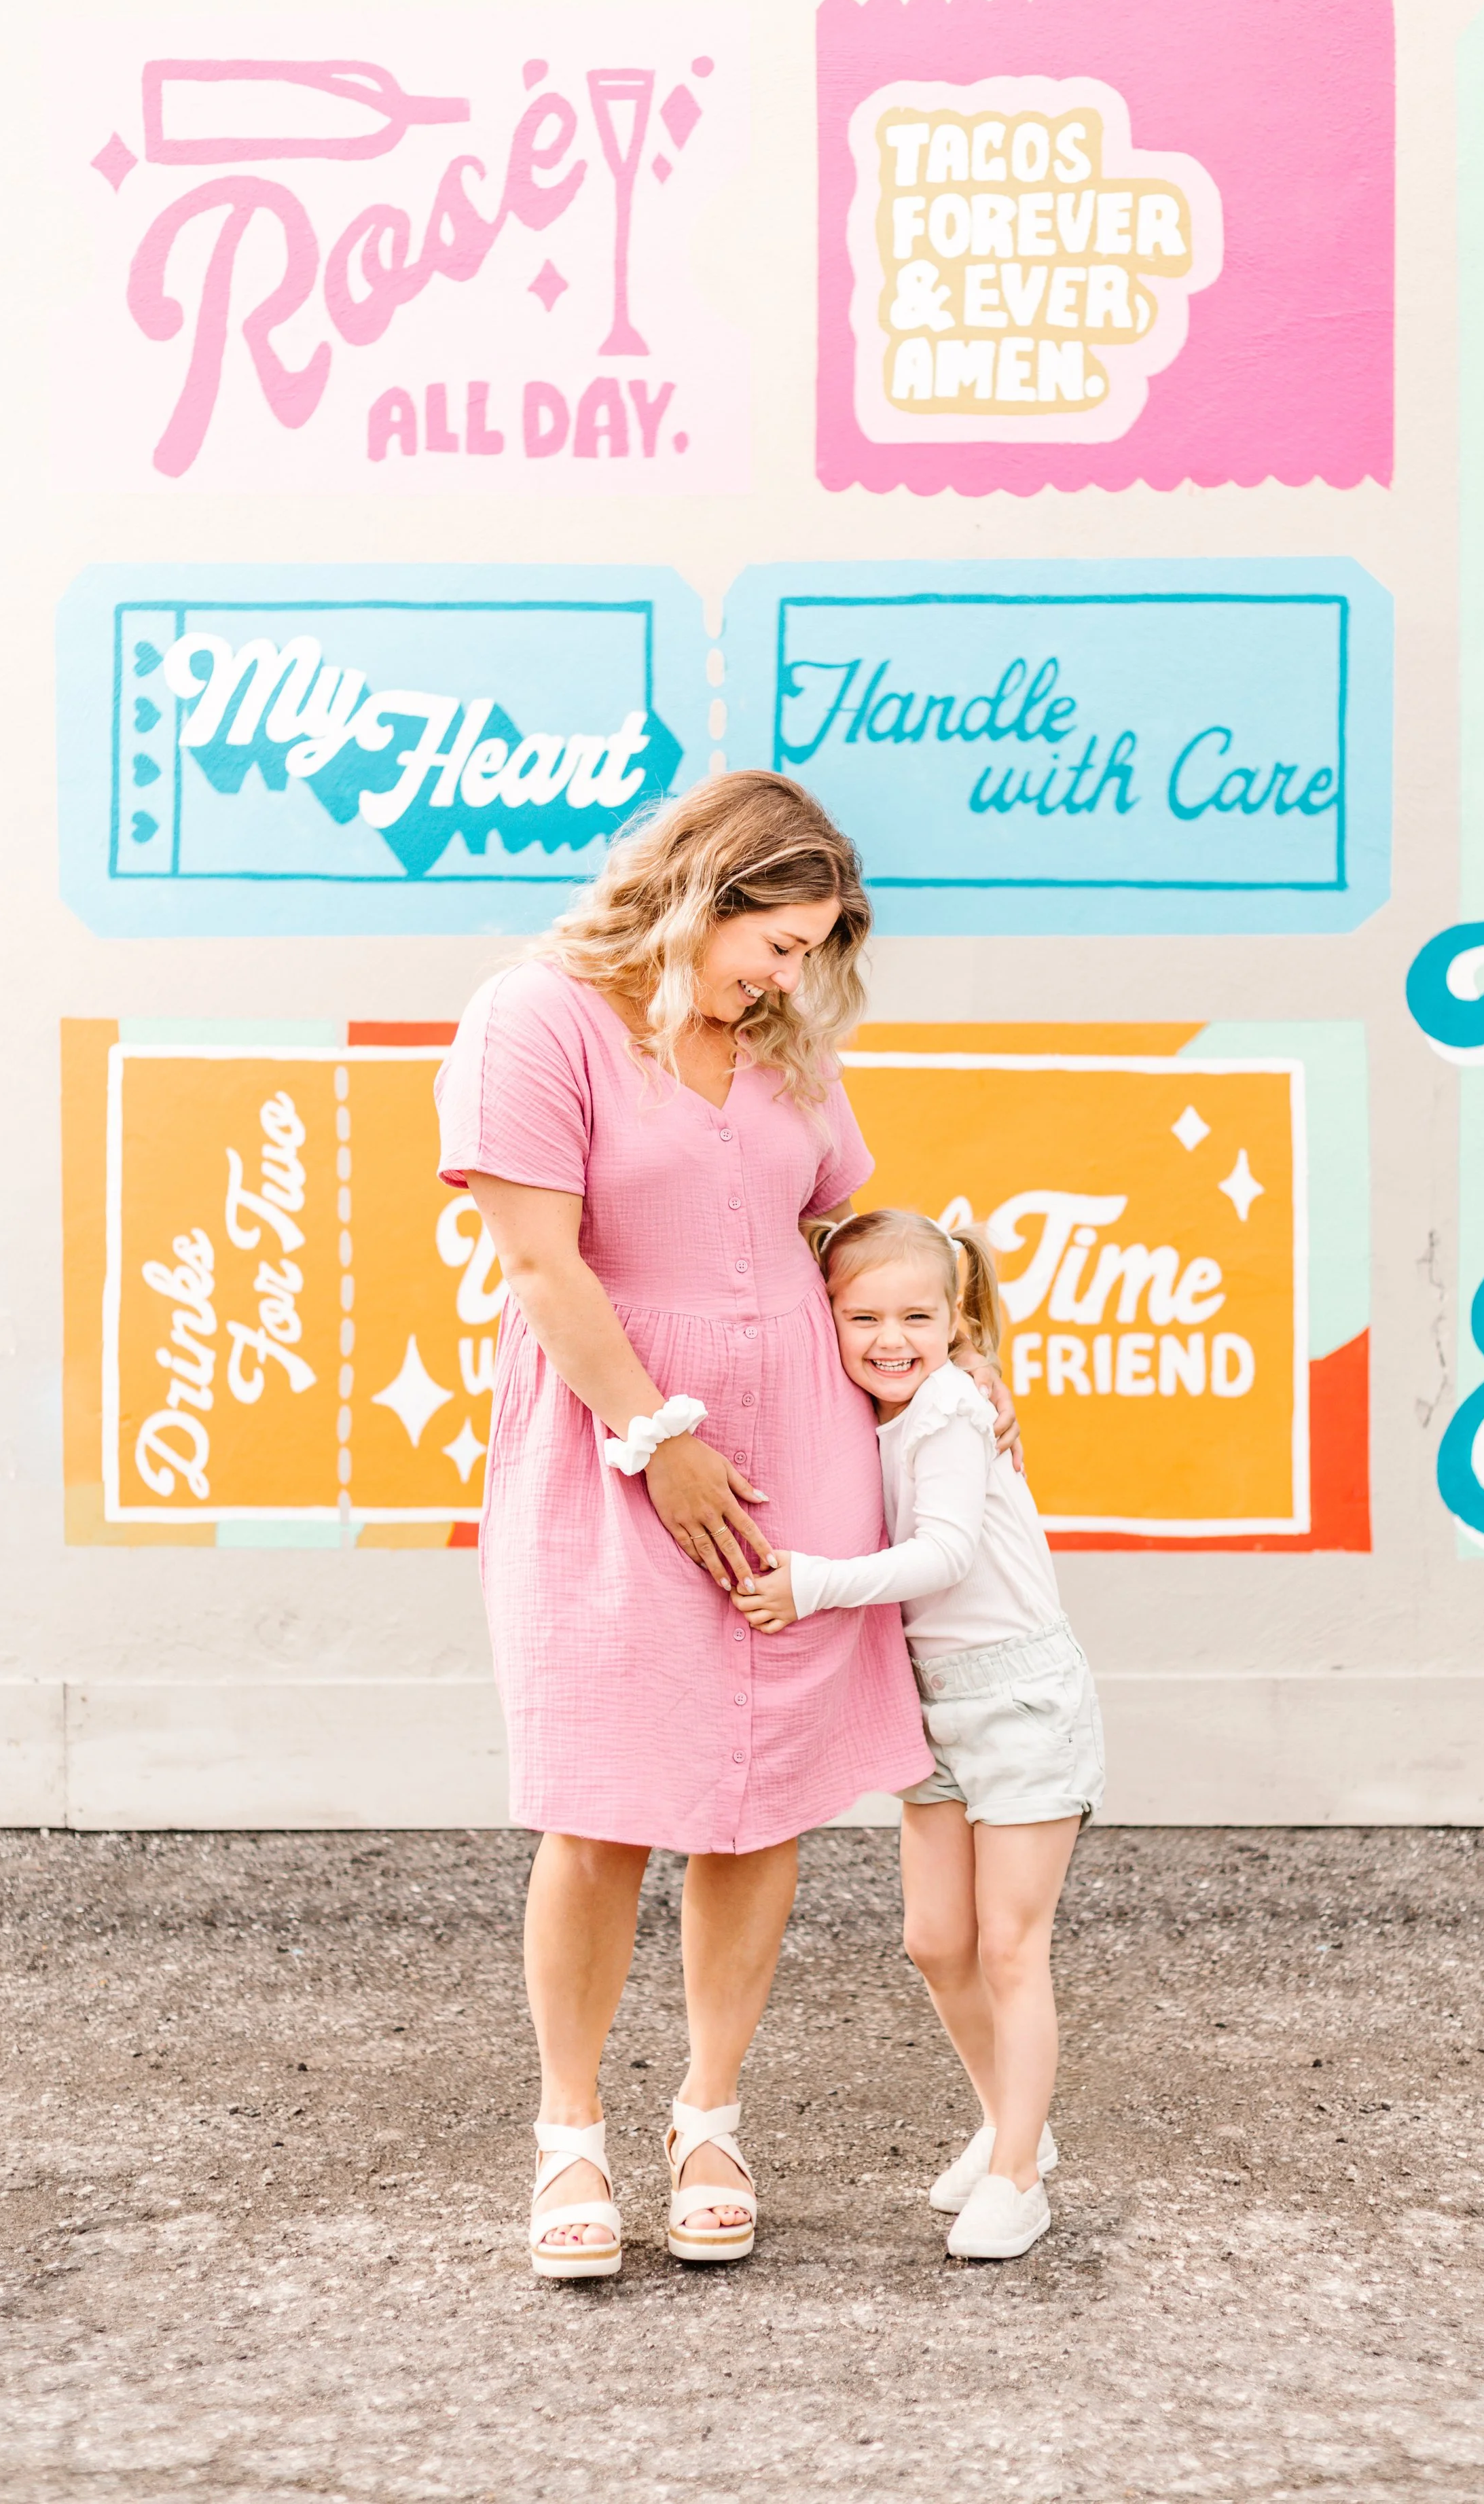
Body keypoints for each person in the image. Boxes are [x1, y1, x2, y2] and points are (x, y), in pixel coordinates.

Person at [433, 777, 1013, 2279]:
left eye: (815, 951)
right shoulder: (536, 1016)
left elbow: (824, 1243)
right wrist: (658, 1441)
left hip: (799, 1458)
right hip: (612, 1448)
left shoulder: (780, 1048)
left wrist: (944, 1371)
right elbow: (543, 1268)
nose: (790, 975)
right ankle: (570, 2134)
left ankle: (707, 2116)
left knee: (759, 1796)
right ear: (707, 894)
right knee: (603, 1796)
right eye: (778, 940)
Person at [732, 1208, 1104, 2261]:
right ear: (826, 1318)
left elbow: (942, 1554)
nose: (892, 1337)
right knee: (935, 1939)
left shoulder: (946, 1404)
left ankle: (1020, 2173)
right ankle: (1011, 2120)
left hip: (1021, 1697)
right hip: (929, 1697)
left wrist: (812, 1586)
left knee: (1008, 1943)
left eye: (919, 1315)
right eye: (864, 1316)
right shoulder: (869, 1407)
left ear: (956, 1317)